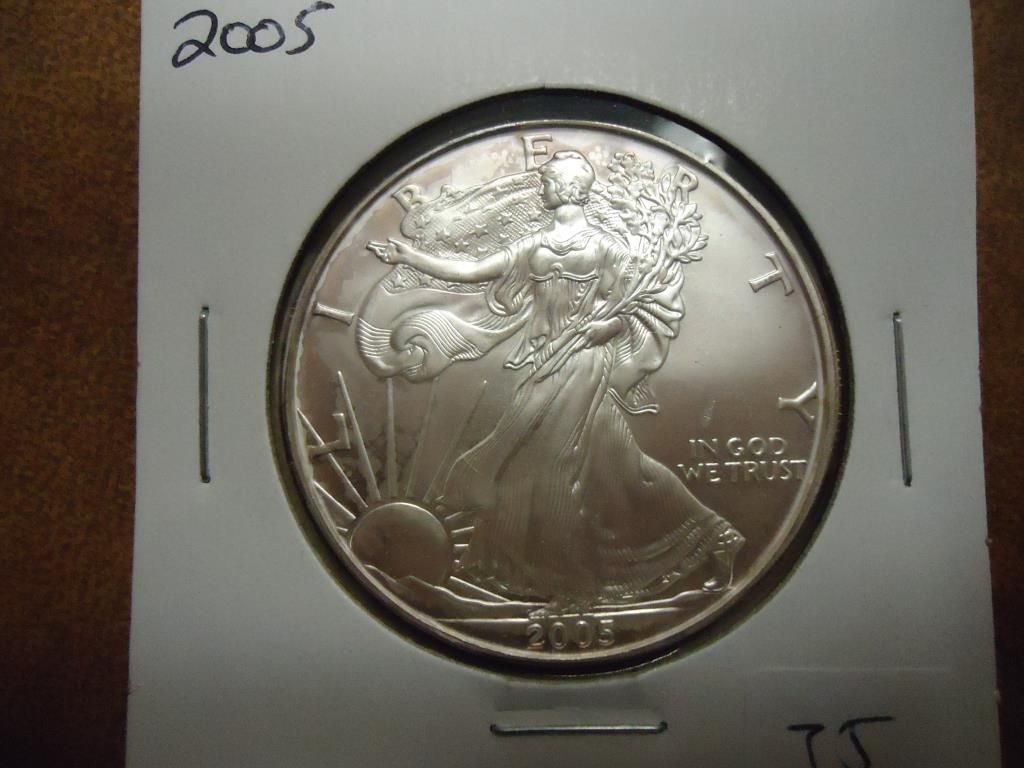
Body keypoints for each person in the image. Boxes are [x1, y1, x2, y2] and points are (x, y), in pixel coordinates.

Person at [374, 150, 743, 610]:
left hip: (584, 361)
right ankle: (716, 538)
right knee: (622, 467)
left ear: (567, 188)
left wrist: (607, 327)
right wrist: (410, 256)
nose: (542, 188)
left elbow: (642, 305)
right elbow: (471, 272)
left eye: (548, 182)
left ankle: (574, 587)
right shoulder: (534, 246)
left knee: (551, 463)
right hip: (542, 359)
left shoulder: (606, 248)